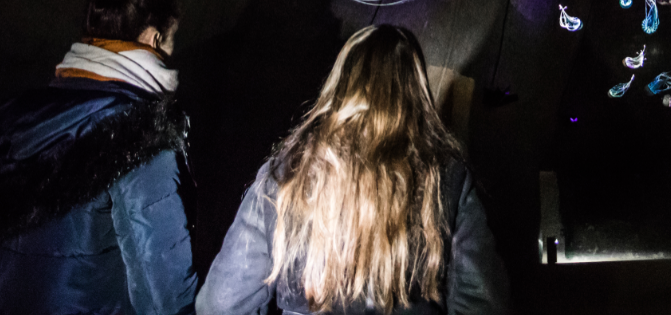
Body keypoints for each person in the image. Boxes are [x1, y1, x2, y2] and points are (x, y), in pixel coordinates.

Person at [197, 24, 511, 315]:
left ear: (340, 83)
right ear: (416, 91)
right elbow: (481, 302)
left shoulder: (286, 175)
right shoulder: (447, 179)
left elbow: (221, 303)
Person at [0, 0, 196, 315]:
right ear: (152, 37)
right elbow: (161, 283)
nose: (172, 52)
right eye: (171, 39)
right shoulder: (140, 132)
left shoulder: (21, 117)